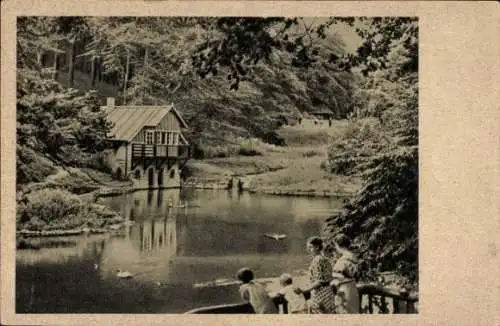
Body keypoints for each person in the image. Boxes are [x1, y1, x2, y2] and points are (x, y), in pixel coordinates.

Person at [294, 237, 335, 313]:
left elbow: (319, 281)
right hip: (328, 291)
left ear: (317, 247)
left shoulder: (317, 260)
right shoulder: (325, 258)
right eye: (308, 247)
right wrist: (308, 273)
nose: (308, 250)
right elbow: (324, 275)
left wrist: (304, 290)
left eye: (310, 247)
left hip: (320, 293)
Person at [330, 234, 360, 314]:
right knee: (353, 312)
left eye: (335, 245)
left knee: (346, 313)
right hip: (352, 287)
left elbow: (339, 276)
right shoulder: (352, 256)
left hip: (344, 289)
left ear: (337, 245)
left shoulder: (343, 259)